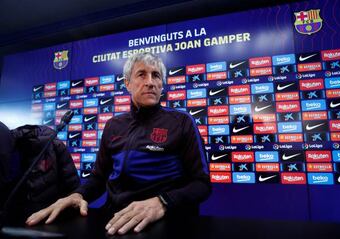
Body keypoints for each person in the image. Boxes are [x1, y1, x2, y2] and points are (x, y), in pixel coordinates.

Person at [26, 52, 211, 235]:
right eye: (141, 74)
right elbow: (98, 179)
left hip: (165, 222)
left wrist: (163, 202)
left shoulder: (182, 122)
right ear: (127, 83)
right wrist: (78, 195)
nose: (150, 82)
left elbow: (202, 184)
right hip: (115, 220)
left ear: (162, 84)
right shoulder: (113, 125)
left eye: (156, 75)